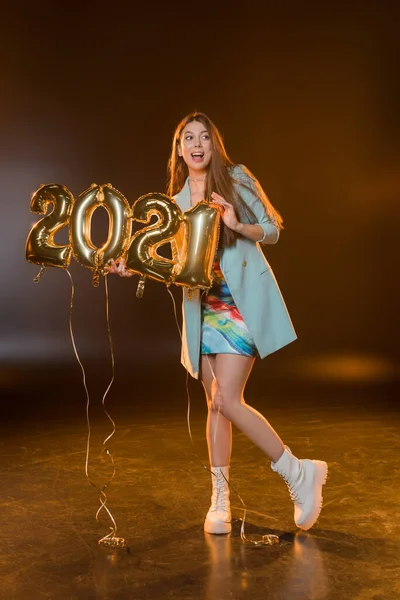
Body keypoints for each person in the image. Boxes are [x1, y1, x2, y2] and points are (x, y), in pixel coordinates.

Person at [108, 112, 328, 535]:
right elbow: (172, 262)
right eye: (188, 138)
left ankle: (298, 473)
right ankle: (220, 501)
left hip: (240, 304)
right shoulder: (174, 206)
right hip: (202, 310)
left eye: (204, 137)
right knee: (215, 403)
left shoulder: (235, 179)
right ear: (179, 149)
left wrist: (235, 224)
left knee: (227, 399)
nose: (196, 144)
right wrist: (132, 268)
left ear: (213, 145)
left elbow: (273, 229)